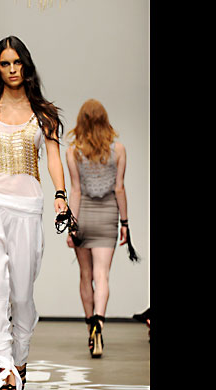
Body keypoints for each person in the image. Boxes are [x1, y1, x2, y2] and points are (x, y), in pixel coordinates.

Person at [0, 35, 67, 390]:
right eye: (5, 63)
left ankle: (20, 358)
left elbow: (53, 158)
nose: (12, 70)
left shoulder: (43, 113)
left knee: (21, 296)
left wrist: (61, 195)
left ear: (26, 65)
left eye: (17, 62)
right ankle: (6, 371)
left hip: (26, 207)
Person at [64, 98, 138, 358]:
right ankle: (99, 321)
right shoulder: (118, 150)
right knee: (102, 275)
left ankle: (90, 328)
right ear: (105, 120)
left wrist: (71, 226)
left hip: (83, 215)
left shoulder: (73, 151)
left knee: (85, 275)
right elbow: (119, 188)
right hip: (108, 216)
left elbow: (75, 190)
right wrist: (125, 223)